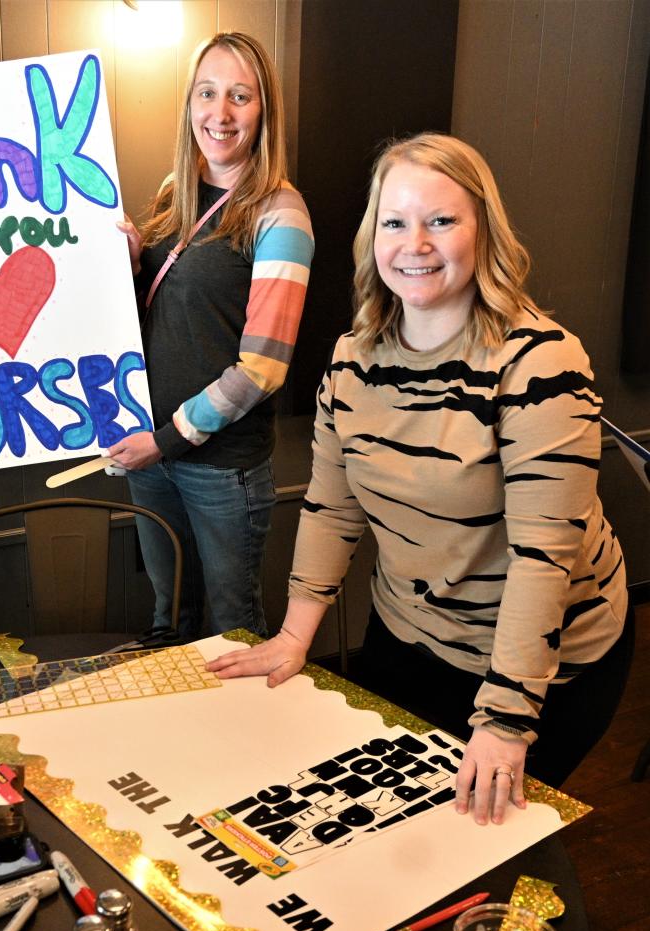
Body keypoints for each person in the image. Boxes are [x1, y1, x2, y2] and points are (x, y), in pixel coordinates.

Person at [208, 133, 633, 826]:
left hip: (543, 663)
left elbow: (541, 556)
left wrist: (502, 720)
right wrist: (292, 637)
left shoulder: (542, 364)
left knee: (479, 846)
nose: (416, 243)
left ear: (482, 230)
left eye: (441, 220)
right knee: (391, 829)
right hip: (409, 632)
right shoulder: (350, 360)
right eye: (395, 222)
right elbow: (329, 509)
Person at [109, 33, 314, 641]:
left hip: (219, 467)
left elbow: (262, 369)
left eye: (239, 96)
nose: (219, 113)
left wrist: (167, 440)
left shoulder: (281, 215)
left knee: (232, 634)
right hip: (151, 454)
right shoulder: (178, 191)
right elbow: (172, 307)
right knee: (169, 621)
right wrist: (130, 261)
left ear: (264, 111)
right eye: (207, 93)